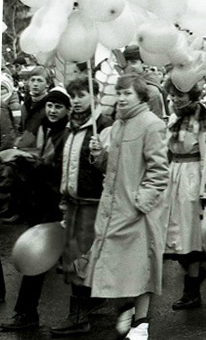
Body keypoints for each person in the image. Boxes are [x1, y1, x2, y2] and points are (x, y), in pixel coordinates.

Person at [85, 74, 169, 340]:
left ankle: (141, 323)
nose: (121, 98)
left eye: (127, 94)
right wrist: (99, 155)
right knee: (117, 266)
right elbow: (113, 168)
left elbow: (159, 171)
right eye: (119, 93)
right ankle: (127, 308)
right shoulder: (117, 125)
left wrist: (140, 202)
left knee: (140, 267)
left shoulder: (151, 124)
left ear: (141, 97)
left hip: (137, 212)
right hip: (113, 209)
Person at [0, 87, 70, 332]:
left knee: (51, 260)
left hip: (56, 205)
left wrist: (29, 162)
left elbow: (60, 171)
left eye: (58, 106)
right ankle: (27, 313)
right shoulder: (45, 128)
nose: (52, 110)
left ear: (67, 110)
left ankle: (31, 314)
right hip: (40, 204)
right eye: (50, 105)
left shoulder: (67, 135)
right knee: (42, 260)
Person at [50, 77, 113, 336]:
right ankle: (89, 304)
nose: (75, 101)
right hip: (74, 204)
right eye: (73, 96)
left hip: (93, 204)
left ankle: (78, 317)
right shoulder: (71, 128)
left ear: (95, 96)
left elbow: (112, 168)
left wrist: (101, 157)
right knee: (73, 260)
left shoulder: (104, 126)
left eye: (81, 95)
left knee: (80, 262)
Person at [162, 80, 206, 311]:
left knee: (191, 236)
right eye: (172, 95)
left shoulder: (201, 119)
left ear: (191, 95)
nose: (175, 99)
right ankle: (193, 279)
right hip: (174, 176)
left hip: (192, 179)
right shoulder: (175, 117)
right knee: (177, 235)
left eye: (180, 95)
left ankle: (192, 289)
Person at [122, 45, 168, 119]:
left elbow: (156, 120)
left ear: (143, 63)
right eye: (126, 62)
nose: (129, 66)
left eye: (133, 62)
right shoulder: (122, 83)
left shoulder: (150, 90)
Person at [15, 66, 52, 148]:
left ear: (48, 84)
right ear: (28, 82)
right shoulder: (26, 104)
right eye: (33, 80)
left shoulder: (50, 105)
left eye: (40, 80)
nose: (35, 84)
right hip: (25, 150)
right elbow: (21, 128)